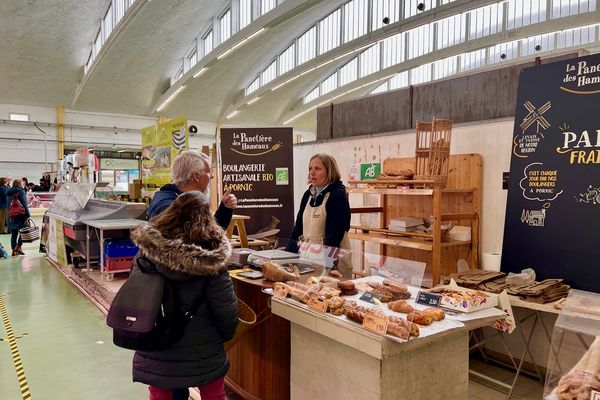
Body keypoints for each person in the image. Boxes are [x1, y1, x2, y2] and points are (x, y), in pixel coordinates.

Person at [131, 191, 238, 400]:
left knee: (159, 393)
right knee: (213, 395)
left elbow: (137, 294)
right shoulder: (213, 260)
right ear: (207, 217)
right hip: (204, 350)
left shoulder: (147, 252)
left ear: (171, 213)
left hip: (157, 342)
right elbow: (226, 311)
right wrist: (222, 337)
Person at [287, 153, 352, 277]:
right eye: (310, 168)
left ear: (329, 172)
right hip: (308, 261)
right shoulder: (308, 195)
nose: (312, 172)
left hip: (332, 264)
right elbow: (297, 229)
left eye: (317, 169)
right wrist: (287, 257)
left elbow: (334, 234)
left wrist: (330, 266)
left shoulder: (337, 195)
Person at [147, 150, 237, 228]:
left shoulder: (170, 199)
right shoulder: (172, 207)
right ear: (196, 176)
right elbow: (204, 240)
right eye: (209, 171)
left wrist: (225, 209)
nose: (212, 176)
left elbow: (207, 233)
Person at [7, 178, 30, 256]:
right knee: (25, 230)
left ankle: (14, 249)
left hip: (11, 215)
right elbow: (24, 205)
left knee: (14, 233)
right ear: (20, 184)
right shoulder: (20, 192)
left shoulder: (8, 192)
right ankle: (18, 246)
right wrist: (28, 215)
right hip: (21, 215)